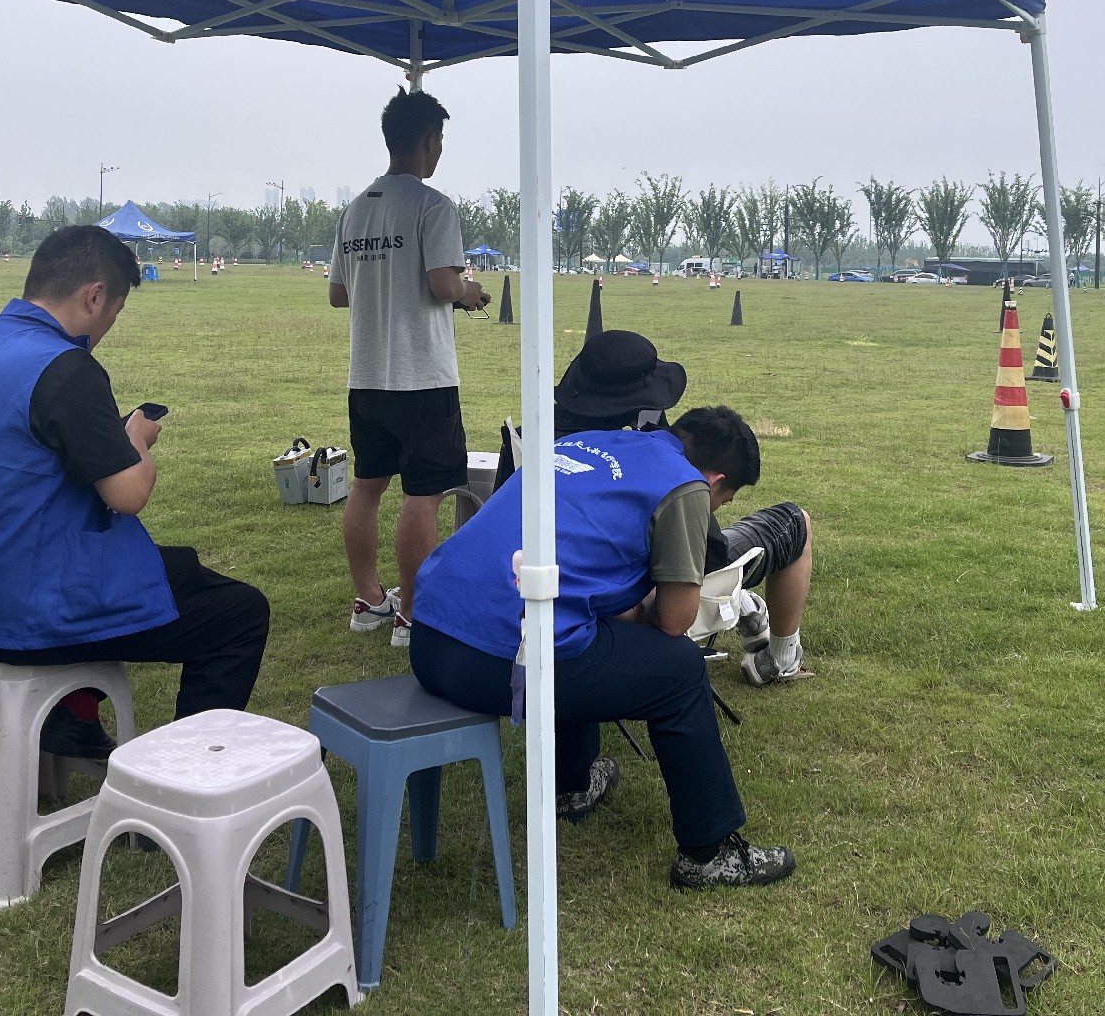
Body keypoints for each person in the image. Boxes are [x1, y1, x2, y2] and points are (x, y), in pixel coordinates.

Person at [0, 226, 269, 757]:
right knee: (238, 613)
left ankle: (70, 713)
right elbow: (128, 494)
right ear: (95, 295)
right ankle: (184, 778)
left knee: (175, 568)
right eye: (115, 312)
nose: (108, 327)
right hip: (19, 610)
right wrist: (137, 438)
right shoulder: (65, 367)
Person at [409, 406, 796, 890]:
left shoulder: (593, 440)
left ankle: (571, 784)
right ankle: (707, 852)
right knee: (679, 670)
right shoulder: (687, 486)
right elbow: (675, 620)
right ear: (716, 481)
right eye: (724, 501)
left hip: (429, 637)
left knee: (579, 625)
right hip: (497, 660)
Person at [549, 329, 814, 687]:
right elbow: (702, 552)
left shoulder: (540, 437)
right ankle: (778, 654)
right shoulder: (651, 454)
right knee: (794, 522)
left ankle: (743, 604)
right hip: (651, 582)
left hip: (553, 586)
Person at [330, 87, 488, 648]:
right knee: (424, 494)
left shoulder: (355, 209)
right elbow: (442, 284)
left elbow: (338, 294)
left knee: (367, 486)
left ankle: (369, 600)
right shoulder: (433, 205)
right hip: (423, 377)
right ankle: (413, 616)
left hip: (367, 376)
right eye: (439, 140)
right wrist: (470, 292)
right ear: (428, 140)